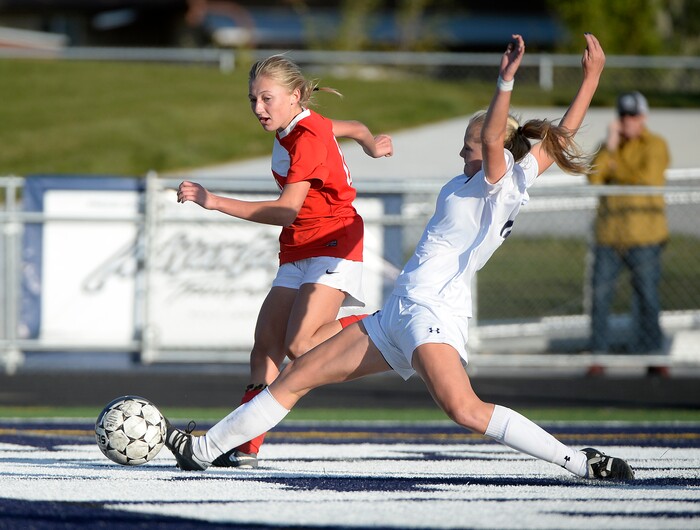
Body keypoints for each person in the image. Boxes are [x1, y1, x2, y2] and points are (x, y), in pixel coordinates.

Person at [166, 34, 634, 481]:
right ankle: (202, 450)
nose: (462, 150)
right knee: (296, 376)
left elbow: (495, 139)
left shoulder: (500, 182)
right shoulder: (490, 178)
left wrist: (505, 81)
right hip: (397, 312)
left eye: (467, 144)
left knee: (464, 410)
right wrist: (591, 77)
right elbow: (559, 136)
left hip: (430, 313)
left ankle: (578, 460)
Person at [176, 54, 393, 468]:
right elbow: (353, 128)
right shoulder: (302, 125)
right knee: (267, 346)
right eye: (253, 99)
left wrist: (213, 200)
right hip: (298, 247)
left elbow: (285, 210)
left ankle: (386, 324)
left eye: (267, 99)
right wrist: (371, 143)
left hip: (335, 242)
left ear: (294, 97)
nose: (259, 109)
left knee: (300, 345)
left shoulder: (307, 138)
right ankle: (246, 446)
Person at [586, 91, 670, 365]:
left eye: (633, 116)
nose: (628, 121)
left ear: (643, 117)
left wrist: (613, 169)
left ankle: (654, 357)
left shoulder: (656, 144)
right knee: (599, 297)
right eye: (623, 115)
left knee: (648, 297)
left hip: (645, 236)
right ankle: (597, 355)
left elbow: (648, 180)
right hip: (610, 236)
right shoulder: (609, 146)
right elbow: (595, 180)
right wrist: (610, 150)